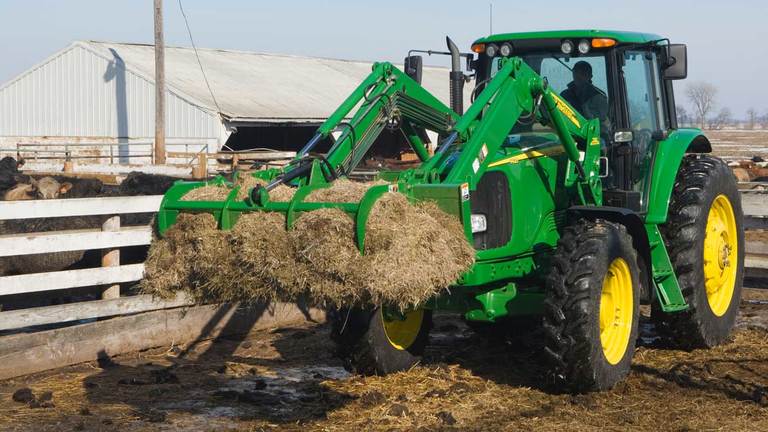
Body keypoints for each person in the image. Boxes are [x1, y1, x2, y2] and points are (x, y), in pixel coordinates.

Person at [560, 61, 609, 129]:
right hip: (568, 133)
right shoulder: (565, 95)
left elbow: (599, 121)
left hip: (593, 136)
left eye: (583, 73)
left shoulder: (599, 97)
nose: (579, 76)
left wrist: (584, 103)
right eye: (576, 72)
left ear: (590, 76)